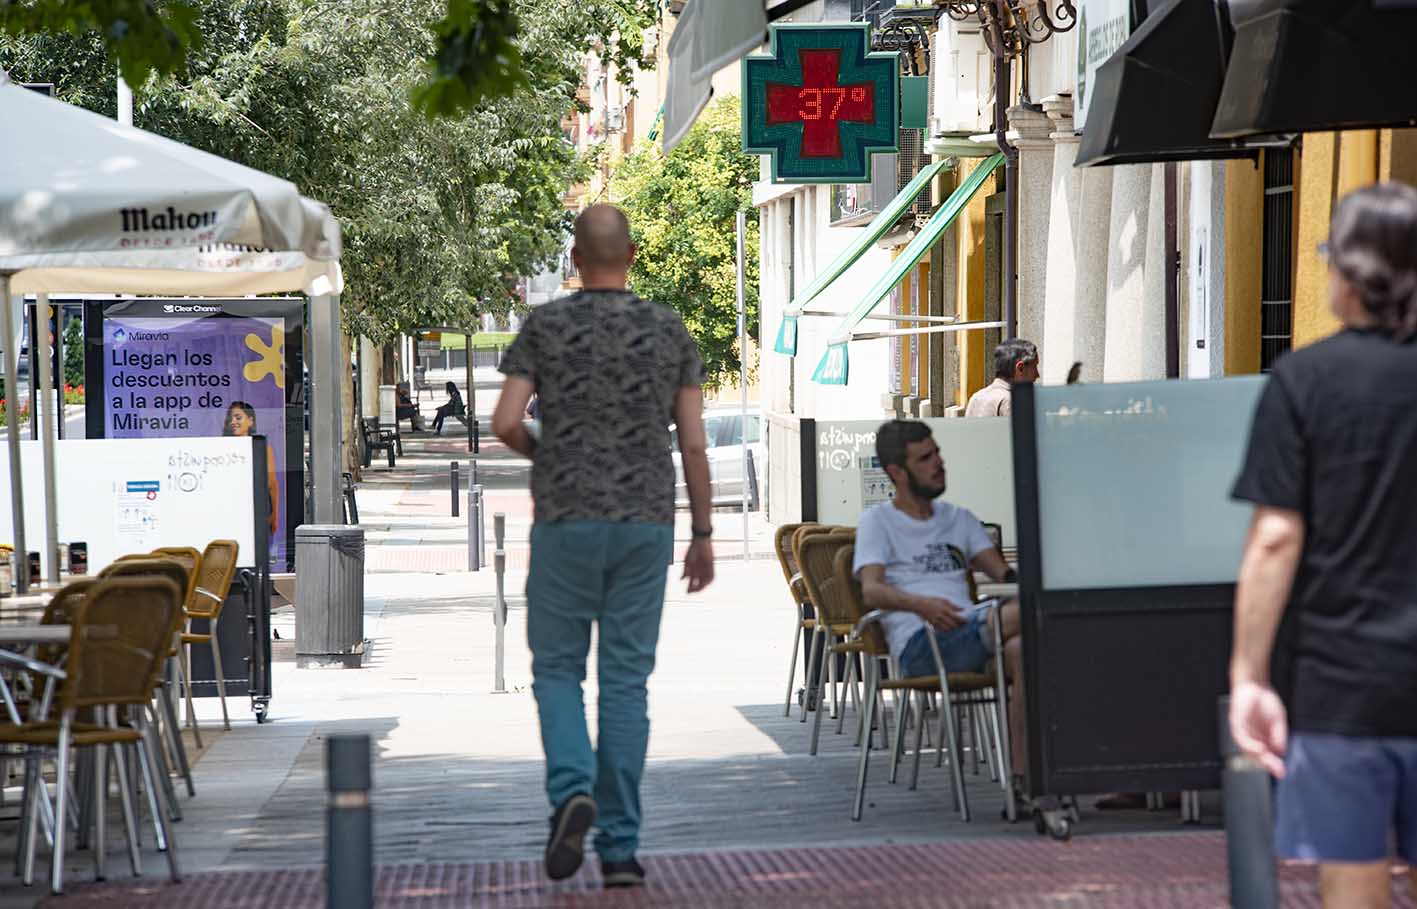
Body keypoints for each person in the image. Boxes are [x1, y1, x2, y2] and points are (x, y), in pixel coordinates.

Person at [491, 203, 715, 889]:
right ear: (634, 255)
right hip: (645, 523)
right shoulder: (667, 327)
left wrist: (547, 455)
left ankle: (571, 790)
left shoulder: (547, 324)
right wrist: (703, 533)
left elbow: (504, 421)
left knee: (557, 670)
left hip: (564, 521)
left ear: (574, 262)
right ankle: (620, 847)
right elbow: (694, 441)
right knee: (625, 679)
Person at [1229, 182, 1417, 907]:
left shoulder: (1303, 381)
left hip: (1344, 681)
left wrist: (1249, 674)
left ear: (1347, 273)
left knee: (1351, 876)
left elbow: (1275, 538)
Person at [852, 420, 1027, 788]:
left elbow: (1003, 575)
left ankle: (1025, 781)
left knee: (1024, 651)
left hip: (973, 631)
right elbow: (871, 590)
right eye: (926, 458)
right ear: (897, 472)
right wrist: (921, 605)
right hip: (922, 642)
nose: (939, 463)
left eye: (938, 453)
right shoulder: (878, 522)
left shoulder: (958, 518)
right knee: (1029, 617)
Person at [222, 401, 279, 537]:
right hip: (230, 512)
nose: (233, 422)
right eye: (230, 418)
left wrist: (275, 516)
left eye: (238, 417)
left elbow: (272, 484)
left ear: (250, 421)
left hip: (256, 511)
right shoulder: (223, 449)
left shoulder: (262, 449)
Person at [964, 338, 1039, 417]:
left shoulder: (976, 397)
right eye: (1034, 367)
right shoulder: (1011, 401)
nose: (1037, 375)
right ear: (1020, 368)